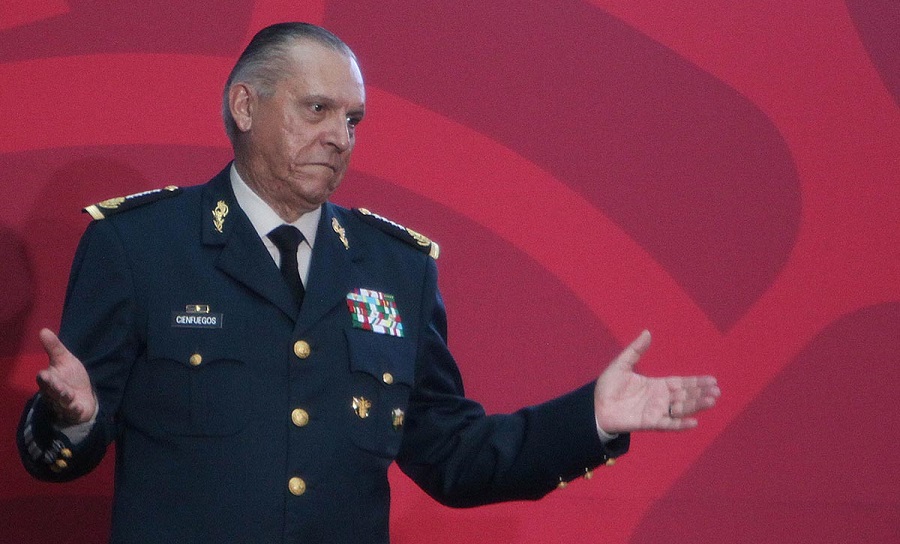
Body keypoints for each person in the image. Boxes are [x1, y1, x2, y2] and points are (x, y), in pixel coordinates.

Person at [17, 22, 720, 543]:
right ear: (244, 106)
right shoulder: (140, 247)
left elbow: (452, 455)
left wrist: (590, 420)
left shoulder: (396, 268)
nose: (340, 136)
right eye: (316, 109)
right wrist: (72, 420)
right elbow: (59, 455)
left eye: (352, 119)